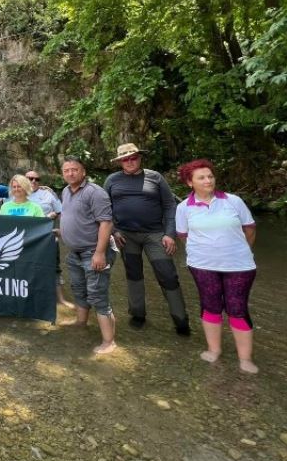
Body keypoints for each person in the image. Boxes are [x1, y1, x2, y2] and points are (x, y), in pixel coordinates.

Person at [175, 159, 258, 374]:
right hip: (202, 265)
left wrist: (241, 250)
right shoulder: (183, 208)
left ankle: (245, 358)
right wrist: (206, 252)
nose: (208, 180)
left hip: (239, 265)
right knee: (210, 305)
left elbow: (249, 228)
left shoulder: (233, 201)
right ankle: (214, 350)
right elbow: (184, 235)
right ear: (189, 183)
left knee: (237, 309)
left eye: (210, 176)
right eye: (201, 177)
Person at [104, 143, 190, 335]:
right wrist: (114, 231)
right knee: (134, 274)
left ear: (140, 158)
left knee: (167, 274)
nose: (130, 162)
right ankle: (137, 314)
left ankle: (181, 320)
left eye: (133, 157)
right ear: (119, 162)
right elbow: (105, 209)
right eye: (125, 159)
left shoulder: (155, 177)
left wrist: (169, 234)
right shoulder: (112, 180)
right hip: (126, 236)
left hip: (155, 234)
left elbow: (170, 206)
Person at [59, 156, 117, 354]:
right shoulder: (65, 191)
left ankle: (109, 342)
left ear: (83, 172)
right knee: (79, 290)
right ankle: (81, 322)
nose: (70, 173)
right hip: (74, 253)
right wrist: (62, 231)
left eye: (74, 169)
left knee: (98, 296)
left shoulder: (95, 192)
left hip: (93, 251)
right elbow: (74, 218)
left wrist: (100, 253)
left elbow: (106, 223)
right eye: (66, 170)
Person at [24, 171, 73, 309]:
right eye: (30, 178)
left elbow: (62, 212)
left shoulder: (48, 194)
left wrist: (60, 227)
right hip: (24, 239)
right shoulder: (17, 193)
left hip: (47, 237)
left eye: (37, 179)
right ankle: (28, 296)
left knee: (54, 266)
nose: (33, 181)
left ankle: (60, 299)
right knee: (26, 266)